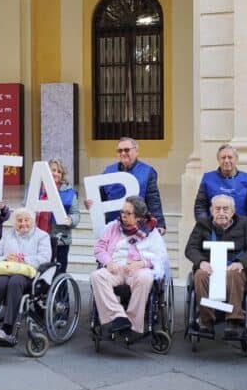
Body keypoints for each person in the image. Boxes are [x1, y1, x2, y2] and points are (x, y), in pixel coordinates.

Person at [0, 208, 51, 347]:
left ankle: (7, 328)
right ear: (14, 222)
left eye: (26, 220)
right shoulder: (7, 235)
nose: (23, 223)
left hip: (30, 276)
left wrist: (23, 259)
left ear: (33, 221)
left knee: (15, 280)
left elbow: (45, 258)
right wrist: (6, 257)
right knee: (1, 281)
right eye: (19, 220)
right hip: (6, 272)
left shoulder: (42, 236)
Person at [90, 196, 169, 340]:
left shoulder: (151, 232)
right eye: (122, 212)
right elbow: (99, 248)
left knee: (145, 277)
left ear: (139, 217)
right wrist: (108, 262)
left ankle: (133, 325)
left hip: (138, 269)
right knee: (97, 276)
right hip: (116, 267)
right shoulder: (113, 227)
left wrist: (141, 263)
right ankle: (118, 318)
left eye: (128, 213)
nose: (123, 216)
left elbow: (160, 257)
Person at [185, 194, 247, 339]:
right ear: (211, 211)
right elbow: (191, 248)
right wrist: (201, 262)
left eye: (225, 209)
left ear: (233, 211)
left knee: (234, 273)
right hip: (210, 266)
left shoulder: (244, 224)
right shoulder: (202, 224)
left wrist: (240, 263)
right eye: (217, 209)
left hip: (234, 268)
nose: (221, 212)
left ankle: (233, 321)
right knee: (200, 274)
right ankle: (206, 321)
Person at [85, 137, 165, 232]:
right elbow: (99, 196)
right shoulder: (108, 171)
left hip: (138, 227)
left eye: (127, 150)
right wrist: (90, 203)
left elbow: (153, 200)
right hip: (113, 226)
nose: (123, 153)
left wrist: (160, 223)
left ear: (136, 151)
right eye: (119, 151)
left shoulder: (148, 171)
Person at [194, 143, 247, 233]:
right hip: (213, 231)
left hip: (241, 231)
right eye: (223, 157)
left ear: (236, 159)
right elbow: (200, 205)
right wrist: (204, 226)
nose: (226, 160)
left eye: (230, 157)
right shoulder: (208, 179)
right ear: (218, 160)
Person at [37, 157, 81, 274]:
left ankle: (61, 293)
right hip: (38, 238)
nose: (55, 173)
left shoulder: (69, 192)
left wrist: (71, 220)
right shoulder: (36, 189)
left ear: (62, 174)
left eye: (58, 171)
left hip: (59, 240)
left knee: (58, 272)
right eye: (52, 170)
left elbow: (76, 214)